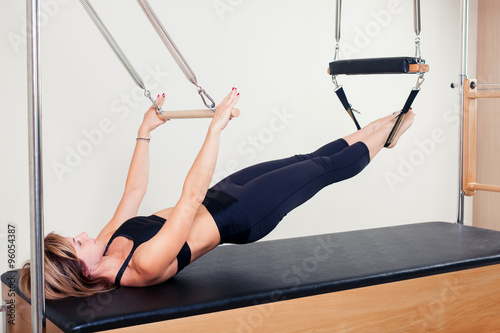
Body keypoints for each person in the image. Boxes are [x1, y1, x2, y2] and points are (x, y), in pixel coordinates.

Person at [19, 88, 415, 299]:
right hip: (243, 214)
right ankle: (390, 130)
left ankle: (384, 132)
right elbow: (189, 200)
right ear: (82, 272)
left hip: (223, 194)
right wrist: (215, 129)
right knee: (323, 170)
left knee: (308, 158)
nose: (84, 234)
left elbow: (133, 192)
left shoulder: (105, 247)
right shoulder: (143, 265)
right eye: (77, 243)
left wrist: (145, 129)